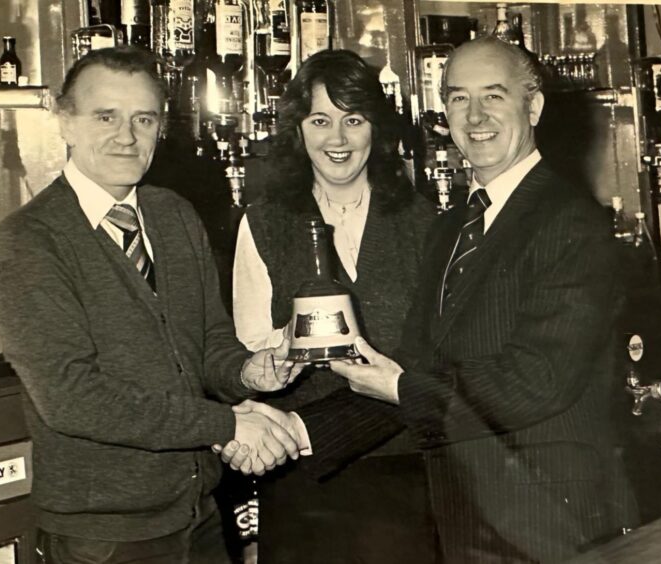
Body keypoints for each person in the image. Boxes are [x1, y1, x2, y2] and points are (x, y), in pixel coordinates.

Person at [224, 37, 636, 562]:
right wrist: (296, 430)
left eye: (494, 95)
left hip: (552, 515)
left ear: (532, 105)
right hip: (465, 514)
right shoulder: (453, 228)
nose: (475, 115)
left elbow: (536, 381)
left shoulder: (569, 222)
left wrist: (397, 384)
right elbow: (418, 370)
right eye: (458, 98)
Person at [0, 46, 302, 564]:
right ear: (65, 122)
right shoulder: (29, 241)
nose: (126, 136)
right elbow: (73, 399)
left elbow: (208, 345)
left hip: (196, 511)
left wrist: (250, 372)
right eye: (105, 117)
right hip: (105, 534)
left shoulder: (173, 215)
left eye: (144, 118)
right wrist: (226, 425)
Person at [229, 49, 436, 563]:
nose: (337, 140)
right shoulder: (263, 223)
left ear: (376, 129)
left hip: (401, 469)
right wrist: (273, 360)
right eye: (320, 120)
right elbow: (248, 344)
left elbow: (437, 357)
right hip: (300, 477)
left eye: (354, 120)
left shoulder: (424, 224)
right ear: (298, 128)